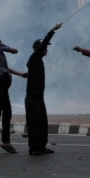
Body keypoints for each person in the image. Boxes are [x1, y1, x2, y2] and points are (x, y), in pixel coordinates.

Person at [0, 31, 28, 154]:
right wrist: (11, 46)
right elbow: (15, 51)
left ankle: (6, 141)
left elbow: (5, 68)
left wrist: (20, 74)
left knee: (6, 110)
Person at [25, 23, 62, 156]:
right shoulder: (35, 57)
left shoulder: (38, 61)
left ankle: (41, 146)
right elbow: (43, 44)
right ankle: (33, 148)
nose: (46, 48)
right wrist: (52, 30)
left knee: (42, 123)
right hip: (32, 96)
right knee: (34, 124)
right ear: (38, 48)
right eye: (44, 47)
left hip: (38, 96)